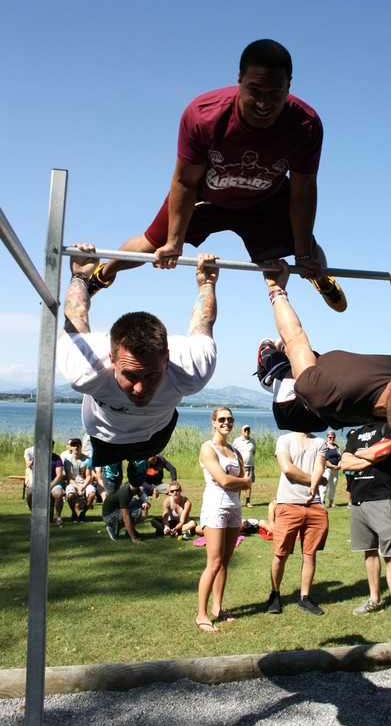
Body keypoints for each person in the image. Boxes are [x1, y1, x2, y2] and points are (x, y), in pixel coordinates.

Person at [88, 39, 346, 314]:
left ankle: (321, 277)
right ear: (239, 80)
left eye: (275, 93)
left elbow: (303, 191)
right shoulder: (203, 115)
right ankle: (105, 273)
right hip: (207, 198)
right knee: (151, 245)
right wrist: (174, 242)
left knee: (310, 250)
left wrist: (303, 254)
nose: (263, 103)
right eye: (255, 90)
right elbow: (185, 181)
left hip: (266, 202)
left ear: (289, 86)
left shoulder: (305, 125)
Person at [56, 245, 218, 488]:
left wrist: (207, 282)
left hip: (155, 435)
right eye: (130, 374)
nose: (140, 388)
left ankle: (137, 462)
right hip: (105, 437)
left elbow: (203, 319)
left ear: (167, 359)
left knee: (141, 465)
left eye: (152, 374)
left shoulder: (190, 370)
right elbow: (75, 314)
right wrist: (81, 274)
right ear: (111, 361)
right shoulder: (86, 368)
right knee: (111, 476)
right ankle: (117, 467)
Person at [257, 261, 391, 434]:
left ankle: (290, 358)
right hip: (298, 403)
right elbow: (296, 340)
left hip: (328, 383)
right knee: (279, 369)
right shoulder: (325, 394)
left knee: (311, 376)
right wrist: (276, 289)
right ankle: (268, 355)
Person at [340, 421, 391, 635]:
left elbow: (385, 450)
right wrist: (369, 457)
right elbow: (344, 463)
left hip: (383, 499)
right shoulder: (356, 434)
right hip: (359, 501)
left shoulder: (390, 428)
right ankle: (374, 598)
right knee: (369, 553)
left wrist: (361, 456)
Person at [196, 407, 252, 633]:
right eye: (221, 419)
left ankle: (218, 608)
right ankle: (201, 614)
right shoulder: (207, 449)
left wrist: (239, 482)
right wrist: (241, 482)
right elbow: (225, 480)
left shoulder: (234, 450)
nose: (226, 422)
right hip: (215, 508)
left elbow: (241, 479)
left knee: (225, 561)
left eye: (229, 419)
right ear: (213, 422)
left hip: (234, 509)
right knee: (214, 562)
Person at [267, 431, 328, 616]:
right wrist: (316, 481)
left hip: (314, 505)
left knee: (309, 554)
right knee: (280, 553)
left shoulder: (320, 442)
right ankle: (275, 594)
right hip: (288, 503)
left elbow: (319, 466)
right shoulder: (284, 439)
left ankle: (305, 598)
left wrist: (315, 482)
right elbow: (287, 468)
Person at [25, 442, 65, 526]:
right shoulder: (38, 458)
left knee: (59, 494)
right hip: (40, 482)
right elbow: (35, 471)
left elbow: (59, 475)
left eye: (51, 447)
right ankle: (34, 515)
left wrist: (50, 486)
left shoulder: (57, 459)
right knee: (30, 493)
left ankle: (58, 517)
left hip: (53, 482)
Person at [63, 438, 95, 523]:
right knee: (70, 494)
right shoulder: (67, 460)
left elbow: (88, 476)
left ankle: (83, 513)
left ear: (81, 446)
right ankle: (74, 513)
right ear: (70, 447)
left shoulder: (87, 460)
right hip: (73, 483)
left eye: (78, 445)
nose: (76, 447)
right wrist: (77, 487)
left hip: (84, 483)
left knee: (92, 493)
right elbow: (69, 478)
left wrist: (83, 487)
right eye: (73, 445)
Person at [232, 425, 257, 508]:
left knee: (248, 484)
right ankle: (237, 502)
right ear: (242, 431)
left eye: (248, 430)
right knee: (239, 484)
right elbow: (233, 451)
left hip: (250, 466)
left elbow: (253, 452)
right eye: (245, 430)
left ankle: (247, 502)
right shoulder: (237, 441)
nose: (247, 431)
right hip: (240, 466)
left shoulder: (252, 441)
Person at [325, 431, 342, 508]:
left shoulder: (337, 447)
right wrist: (331, 466)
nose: (332, 439)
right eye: (330, 437)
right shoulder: (324, 446)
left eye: (333, 437)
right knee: (324, 485)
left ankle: (331, 502)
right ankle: (322, 501)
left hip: (336, 469)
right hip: (327, 469)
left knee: (333, 485)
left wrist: (338, 465)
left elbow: (340, 457)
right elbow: (324, 458)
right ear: (327, 437)